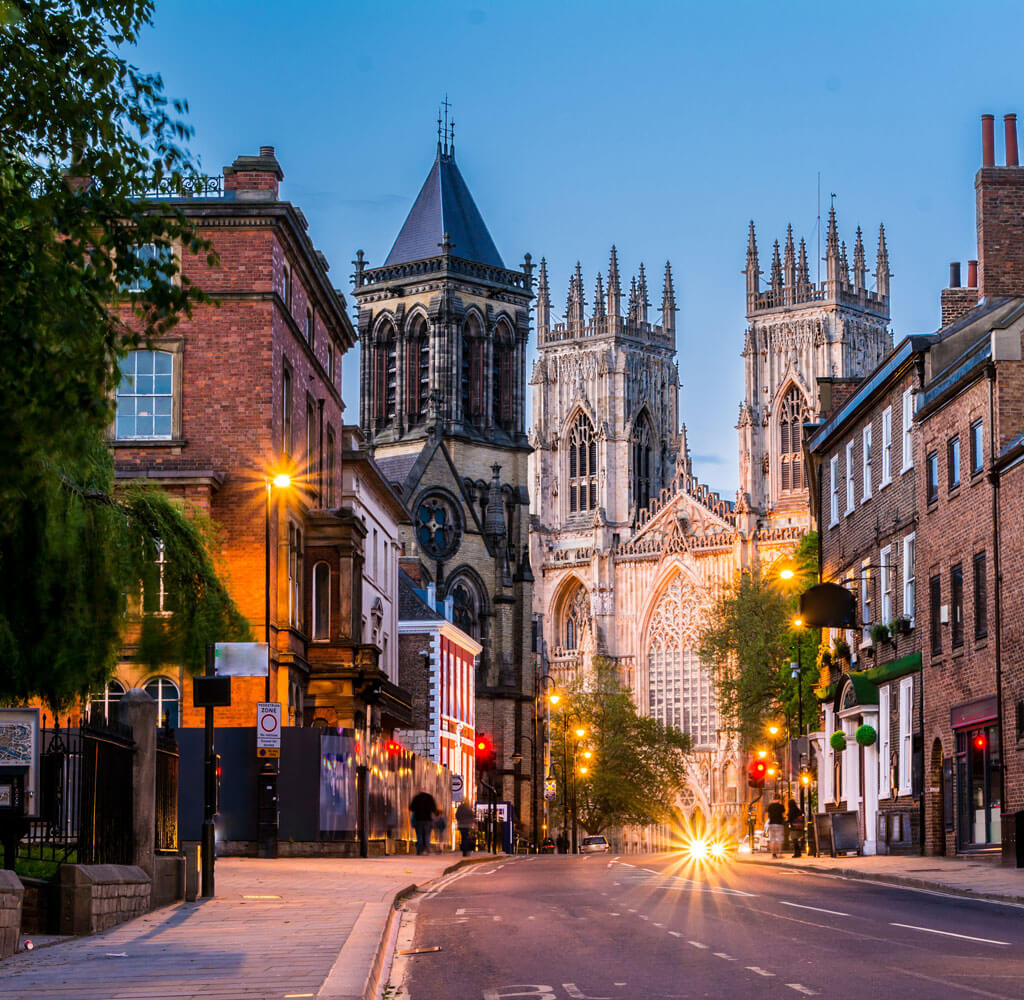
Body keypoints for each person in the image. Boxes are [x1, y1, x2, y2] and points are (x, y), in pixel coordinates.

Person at [409, 790, 439, 856]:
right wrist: (435, 813)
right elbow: (434, 808)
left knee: (419, 835)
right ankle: (427, 849)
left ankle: (420, 850)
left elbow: (411, 808)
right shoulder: (429, 797)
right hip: (427, 819)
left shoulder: (416, 798)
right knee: (427, 835)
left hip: (418, 819)